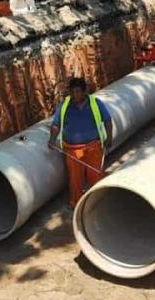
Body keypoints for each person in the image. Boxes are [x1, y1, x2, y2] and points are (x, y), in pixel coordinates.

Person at [48, 77, 113, 208]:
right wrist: (52, 140)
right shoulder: (65, 105)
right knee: (75, 179)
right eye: (72, 92)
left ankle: (98, 202)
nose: (75, 95)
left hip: (93, 147)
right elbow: (56, 124)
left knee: (95, 175)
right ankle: (76, 204)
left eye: (78, 92)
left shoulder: (95, 103)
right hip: (72, 149)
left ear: (85, 91)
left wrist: (109, 137)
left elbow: (107, 120)